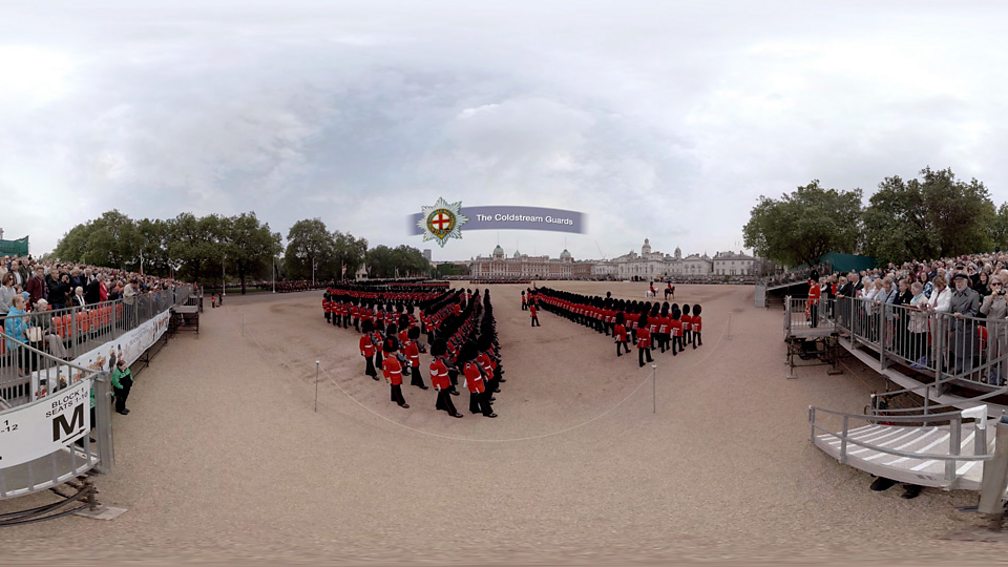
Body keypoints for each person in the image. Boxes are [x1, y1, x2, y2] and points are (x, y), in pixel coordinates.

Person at [430, 340, 462, 418]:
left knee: (442, 394)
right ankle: (452, 411)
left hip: (445, 379)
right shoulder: (434, 364)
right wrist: (437, 386)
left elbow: (444, 368)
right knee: (447, 397)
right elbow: (434, 376)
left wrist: (450, 369)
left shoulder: (440, 360)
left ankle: (439, 405)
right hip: (441, 382)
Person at [4, 294, 30, 376]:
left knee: (37, 345)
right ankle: (21, 368)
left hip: (24, 338)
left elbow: (29, 327)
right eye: (23, 301)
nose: (25, 302)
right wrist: (24, 322)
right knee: (25, 349)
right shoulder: (10, 316)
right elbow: (15, 332)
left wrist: (29, 321)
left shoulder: (23, 312)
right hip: (14, 340)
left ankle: (29, 367)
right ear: (17, 303)